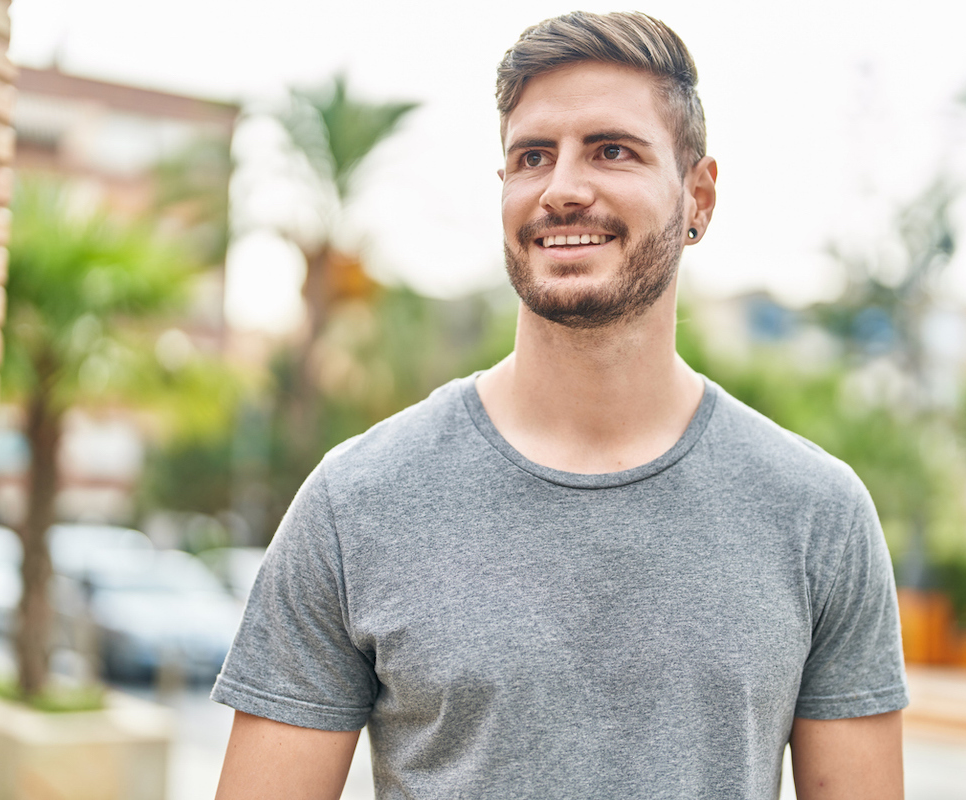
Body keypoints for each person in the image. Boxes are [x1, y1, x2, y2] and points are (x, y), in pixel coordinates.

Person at [212, 11, 907, 799]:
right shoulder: (355, 503)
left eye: (612, 151)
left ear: (698, 197)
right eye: (532, 157)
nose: (562, 189)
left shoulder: (818, 515)